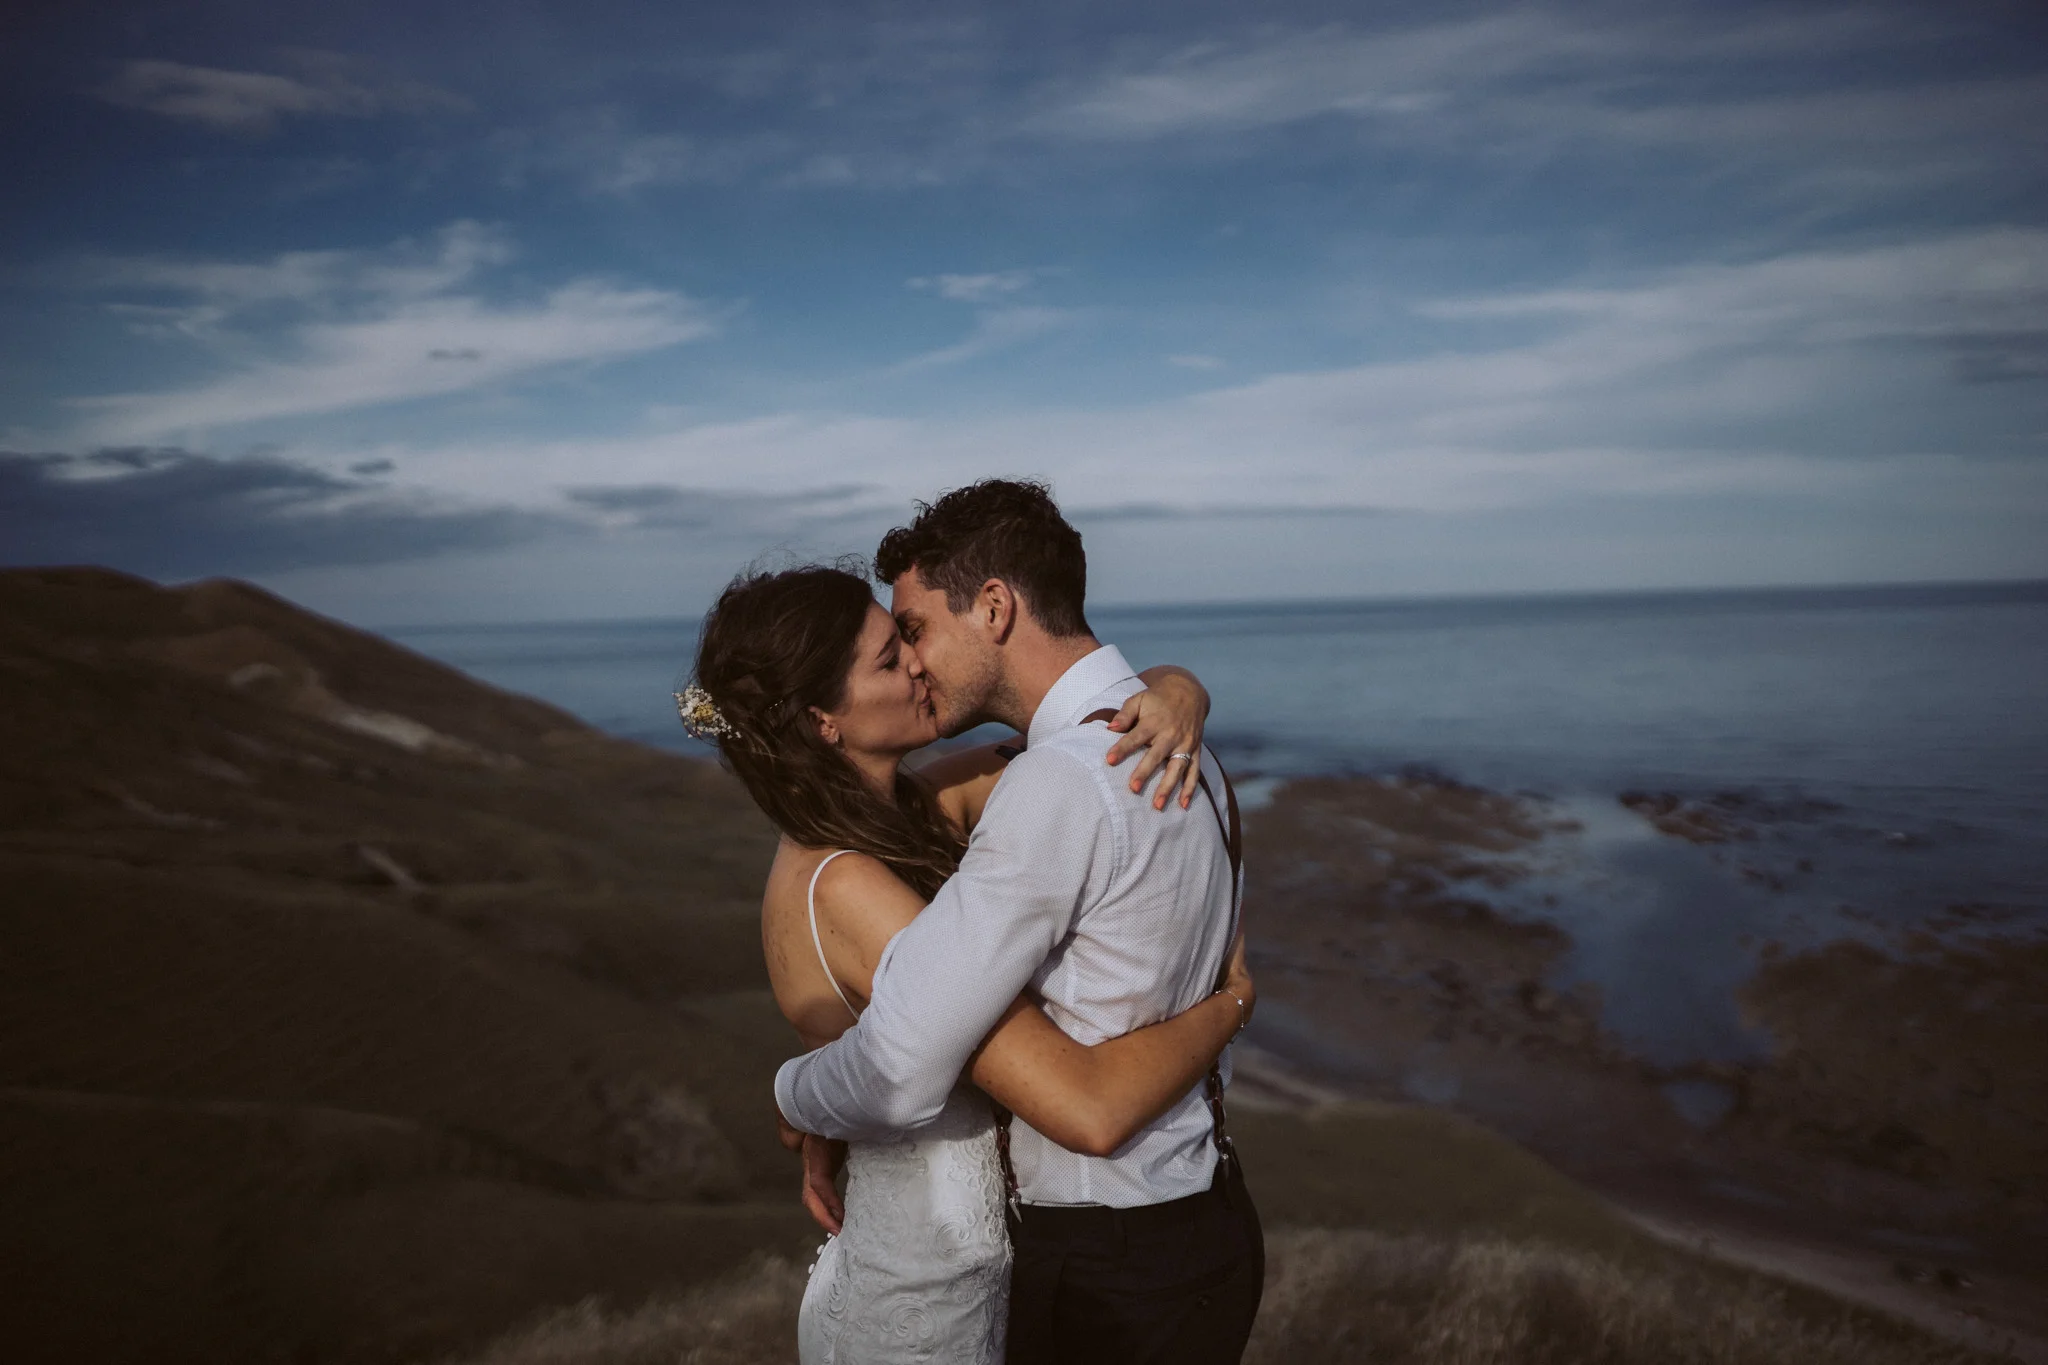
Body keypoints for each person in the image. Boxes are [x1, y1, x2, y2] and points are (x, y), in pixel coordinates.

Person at [685, 557, 1254, 1365]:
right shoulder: (846, 884)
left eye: (905, 637)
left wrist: (1179, 689)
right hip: (915, 1302)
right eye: (890, 657)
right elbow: (1080, 1100)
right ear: (824, 722)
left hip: (982, 1277)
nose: (919, 662)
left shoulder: (918, 805)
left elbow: (1081, 721)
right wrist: (1230, 1003)